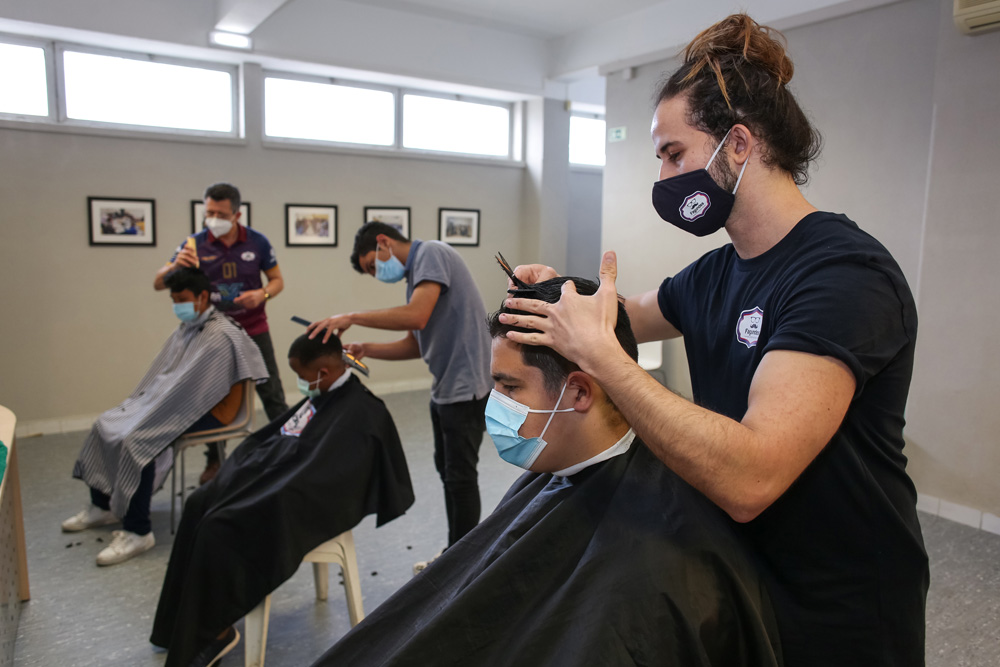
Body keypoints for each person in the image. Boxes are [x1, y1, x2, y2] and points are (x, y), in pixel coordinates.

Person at [504, 14, 927, 667]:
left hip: (842, 603)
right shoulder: (716, 273)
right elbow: (633, 313)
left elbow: (754, 473)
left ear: (738, 145)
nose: (665, 177)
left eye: (674, 153)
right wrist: (564, 292)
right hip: (743, 576)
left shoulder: (844, 276)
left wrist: (602, 358)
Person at [308, 276, 783, 667]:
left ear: (578, 393)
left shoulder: (657, 566)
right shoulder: (557, 466)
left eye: (509, 386)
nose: (495, 404)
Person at [150, 333, 414, 667]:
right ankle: (181, 623)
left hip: (313, 501)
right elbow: (284, 439)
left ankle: (215, 632)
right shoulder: (323, 394)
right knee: (198, 502)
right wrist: (250, 469)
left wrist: (271, 487)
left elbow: (333, 479)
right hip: (287, 480)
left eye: (303, 378)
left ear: (324, 372)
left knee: (218, 527)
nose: (301, 384)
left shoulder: (363, 412)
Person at [307, 222, 492, 559]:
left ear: (383, 242)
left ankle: (464, 563)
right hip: (446, 387)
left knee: (460, 478)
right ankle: (456, 553)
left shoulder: (432, 253)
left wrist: (351, 316)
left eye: (371, 265)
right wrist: (366, 348)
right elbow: (416, 344)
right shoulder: (417, 280)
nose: (377, 273)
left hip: (466, 388)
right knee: (450, 475)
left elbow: (416, 316)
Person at [64, 267, 268, 566]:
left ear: (201, 297)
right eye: (173, 300)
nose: (177, 306)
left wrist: (157, 410)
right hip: (180, 402)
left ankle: (138, 532)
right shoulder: (188, 328)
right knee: (107, 423)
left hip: (214, 410)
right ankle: (103, 505)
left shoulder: (222, 333)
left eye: (182, 299)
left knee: (138, 438)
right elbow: (170, 377)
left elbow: (205, 390)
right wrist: (150, 403)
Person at [154, 183, 288, 483]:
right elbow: (158, 283)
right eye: (209, 212)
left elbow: (278, 280)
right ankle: (214, 460)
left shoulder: (258, 243)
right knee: (213, 396)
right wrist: (175, 265)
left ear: (237, 214)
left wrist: (263, 295)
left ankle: (289, 449)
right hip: (210, 333)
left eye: (220, 213)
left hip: (253, 329)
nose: (213, 218)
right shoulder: (193, 244)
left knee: (273, 393)